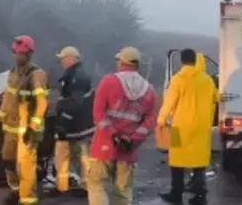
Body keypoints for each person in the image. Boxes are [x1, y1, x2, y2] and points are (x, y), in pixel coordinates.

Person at [88, 46, 157, 205]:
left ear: (122, 63)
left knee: (98, 185)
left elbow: (99, 113)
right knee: (123, 191)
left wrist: (114, 135)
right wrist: (132, 140)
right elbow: (148, 122)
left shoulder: (109, 81)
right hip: (128, 150)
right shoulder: (149, 90)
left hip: (105, 146)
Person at [156, 50, 218, 205]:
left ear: (182, 61)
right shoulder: (208, 80)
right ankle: (199, 196)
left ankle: (176, 194)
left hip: (180, 126)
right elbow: (216, 97)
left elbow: (169, 102)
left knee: (176, 161)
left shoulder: (178, 79)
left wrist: (161, 121)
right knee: (200, 161)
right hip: (202, 126)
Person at [0, 35, 49, 205]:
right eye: (16, 53)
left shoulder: (37, 75)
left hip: (27, 130)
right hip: (11, 126)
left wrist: (32, 127)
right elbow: (8, 98)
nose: (17, 57)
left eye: (21, 54)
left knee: (25, 165)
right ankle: (16, 191)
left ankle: (27, 199)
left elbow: (42, 104)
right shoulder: (13, 72)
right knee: (8, 160)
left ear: (29, 54)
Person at [54, 46, 95, 196]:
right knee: (69, 154)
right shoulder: (73, 74)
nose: (61, 62)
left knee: (82, 156)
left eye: (63, 59)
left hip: (78, 125)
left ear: (72, 58)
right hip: (76, 125)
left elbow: (75, 102)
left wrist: (63, 122)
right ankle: (66, 186)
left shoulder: (78, 76)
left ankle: (87, 187)